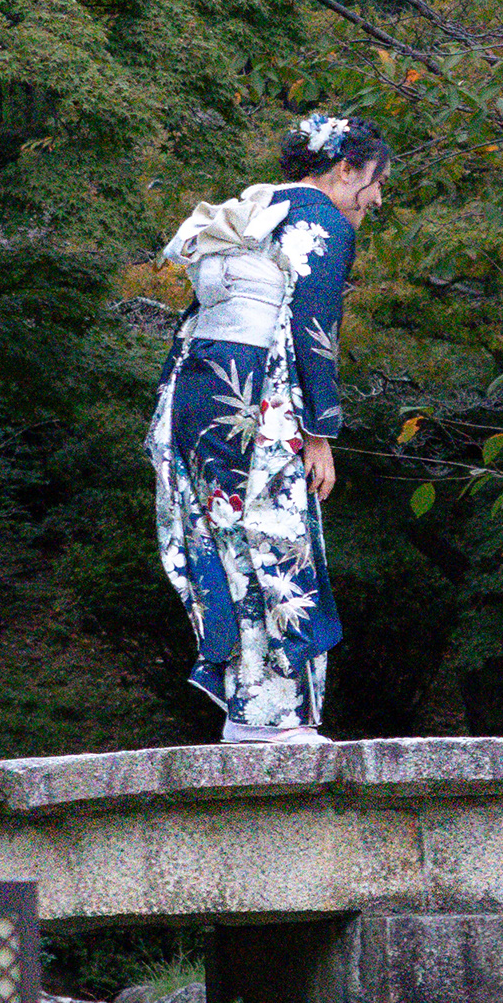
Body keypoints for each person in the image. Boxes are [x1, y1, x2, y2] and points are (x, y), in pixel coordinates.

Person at [147, 113, 390, 741]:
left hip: (199, 389)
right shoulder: (320, 220)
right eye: (375, 181)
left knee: (227, 541)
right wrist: (319, 433)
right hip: (260, 395)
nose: (376, 199)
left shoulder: (253, 208)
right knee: (278, 540)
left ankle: (244, 707)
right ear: (346, 169)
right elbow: (314, 330)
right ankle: (273, 714)